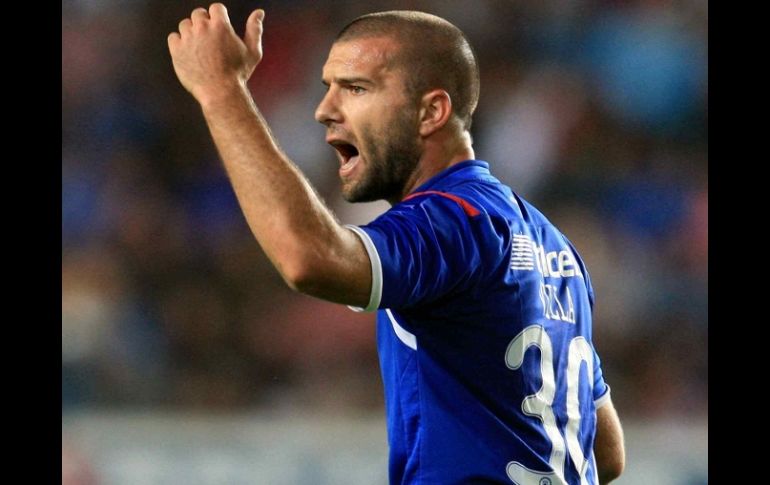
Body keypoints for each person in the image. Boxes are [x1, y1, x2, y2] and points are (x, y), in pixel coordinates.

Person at [168, 5, 625, 484]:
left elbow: (309, 258)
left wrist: (221, 91)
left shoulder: (451, 219)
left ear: (431, 111)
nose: (325, 110)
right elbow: (604, 451)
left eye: (356, 88)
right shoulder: (552, 245)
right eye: (328, 88)